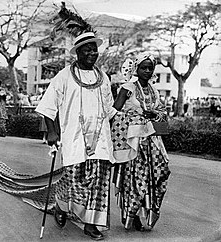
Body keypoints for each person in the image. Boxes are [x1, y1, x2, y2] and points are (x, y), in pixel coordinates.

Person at [36, 31, 118, 240]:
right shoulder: (63, 76)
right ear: (77, 52)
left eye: (94, 49)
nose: (92, 53)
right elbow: (47, 107)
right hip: (74, 139)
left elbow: (110, 110)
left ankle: (91, 225)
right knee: (74, 180)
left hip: (100, 140)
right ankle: (61, 207)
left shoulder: (104, 78)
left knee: (99, 182)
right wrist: (52, 132)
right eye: (87, 49)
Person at [111, 53, 170, 231]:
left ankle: (150, 210)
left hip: (152, 141)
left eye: (150, 68)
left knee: (161, 173)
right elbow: (115, 111)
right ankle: (132, 214)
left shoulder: (154, 90)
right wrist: (134, 117)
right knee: (136, 179)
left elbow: (162, 112)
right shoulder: (128, 88)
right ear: (136, 69)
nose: (147, 70)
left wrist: (155, 114)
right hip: (133, 142)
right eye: (143, 67)